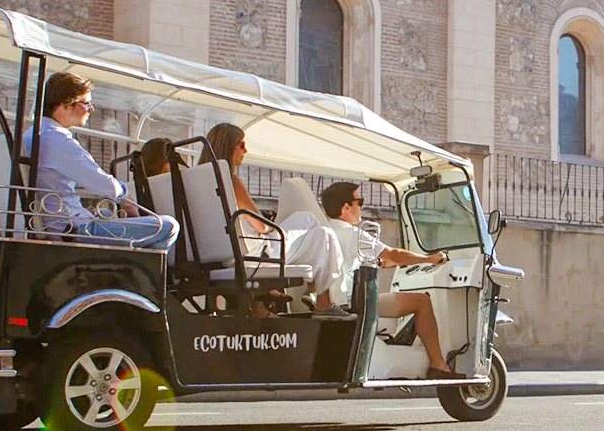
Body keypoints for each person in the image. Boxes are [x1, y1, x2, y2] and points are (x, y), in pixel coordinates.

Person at [199, 122, 344, 313]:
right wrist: (269, 227)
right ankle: (320, 299)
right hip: (255, 253)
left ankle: (313, 291)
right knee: (318, 228)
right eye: (241, 145)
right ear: (230, 148)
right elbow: (261, 226)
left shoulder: (200, 183)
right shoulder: (231, 182)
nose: (245, 150)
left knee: (319, 233)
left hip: (223, 254)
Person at [25, 71, 178, 250]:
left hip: (58, 223)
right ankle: (137, 272)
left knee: (106, 213)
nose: (91, 109)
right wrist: (126, 196)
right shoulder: (59, 141)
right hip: (74, 230)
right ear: (65, 105)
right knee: (168, 226)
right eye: (86, 103)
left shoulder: (33, 133)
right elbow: (106, 186)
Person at [318, 181, 454, 379]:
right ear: (346, 207)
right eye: (359, 201)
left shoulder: (326, 231)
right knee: (422, 302)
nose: (362, 207)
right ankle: (439, 365)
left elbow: (381, 260)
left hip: (337, 302)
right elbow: (394, 254)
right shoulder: (353, 234)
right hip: (353, 303)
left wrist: (391, 262)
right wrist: (429, 259)